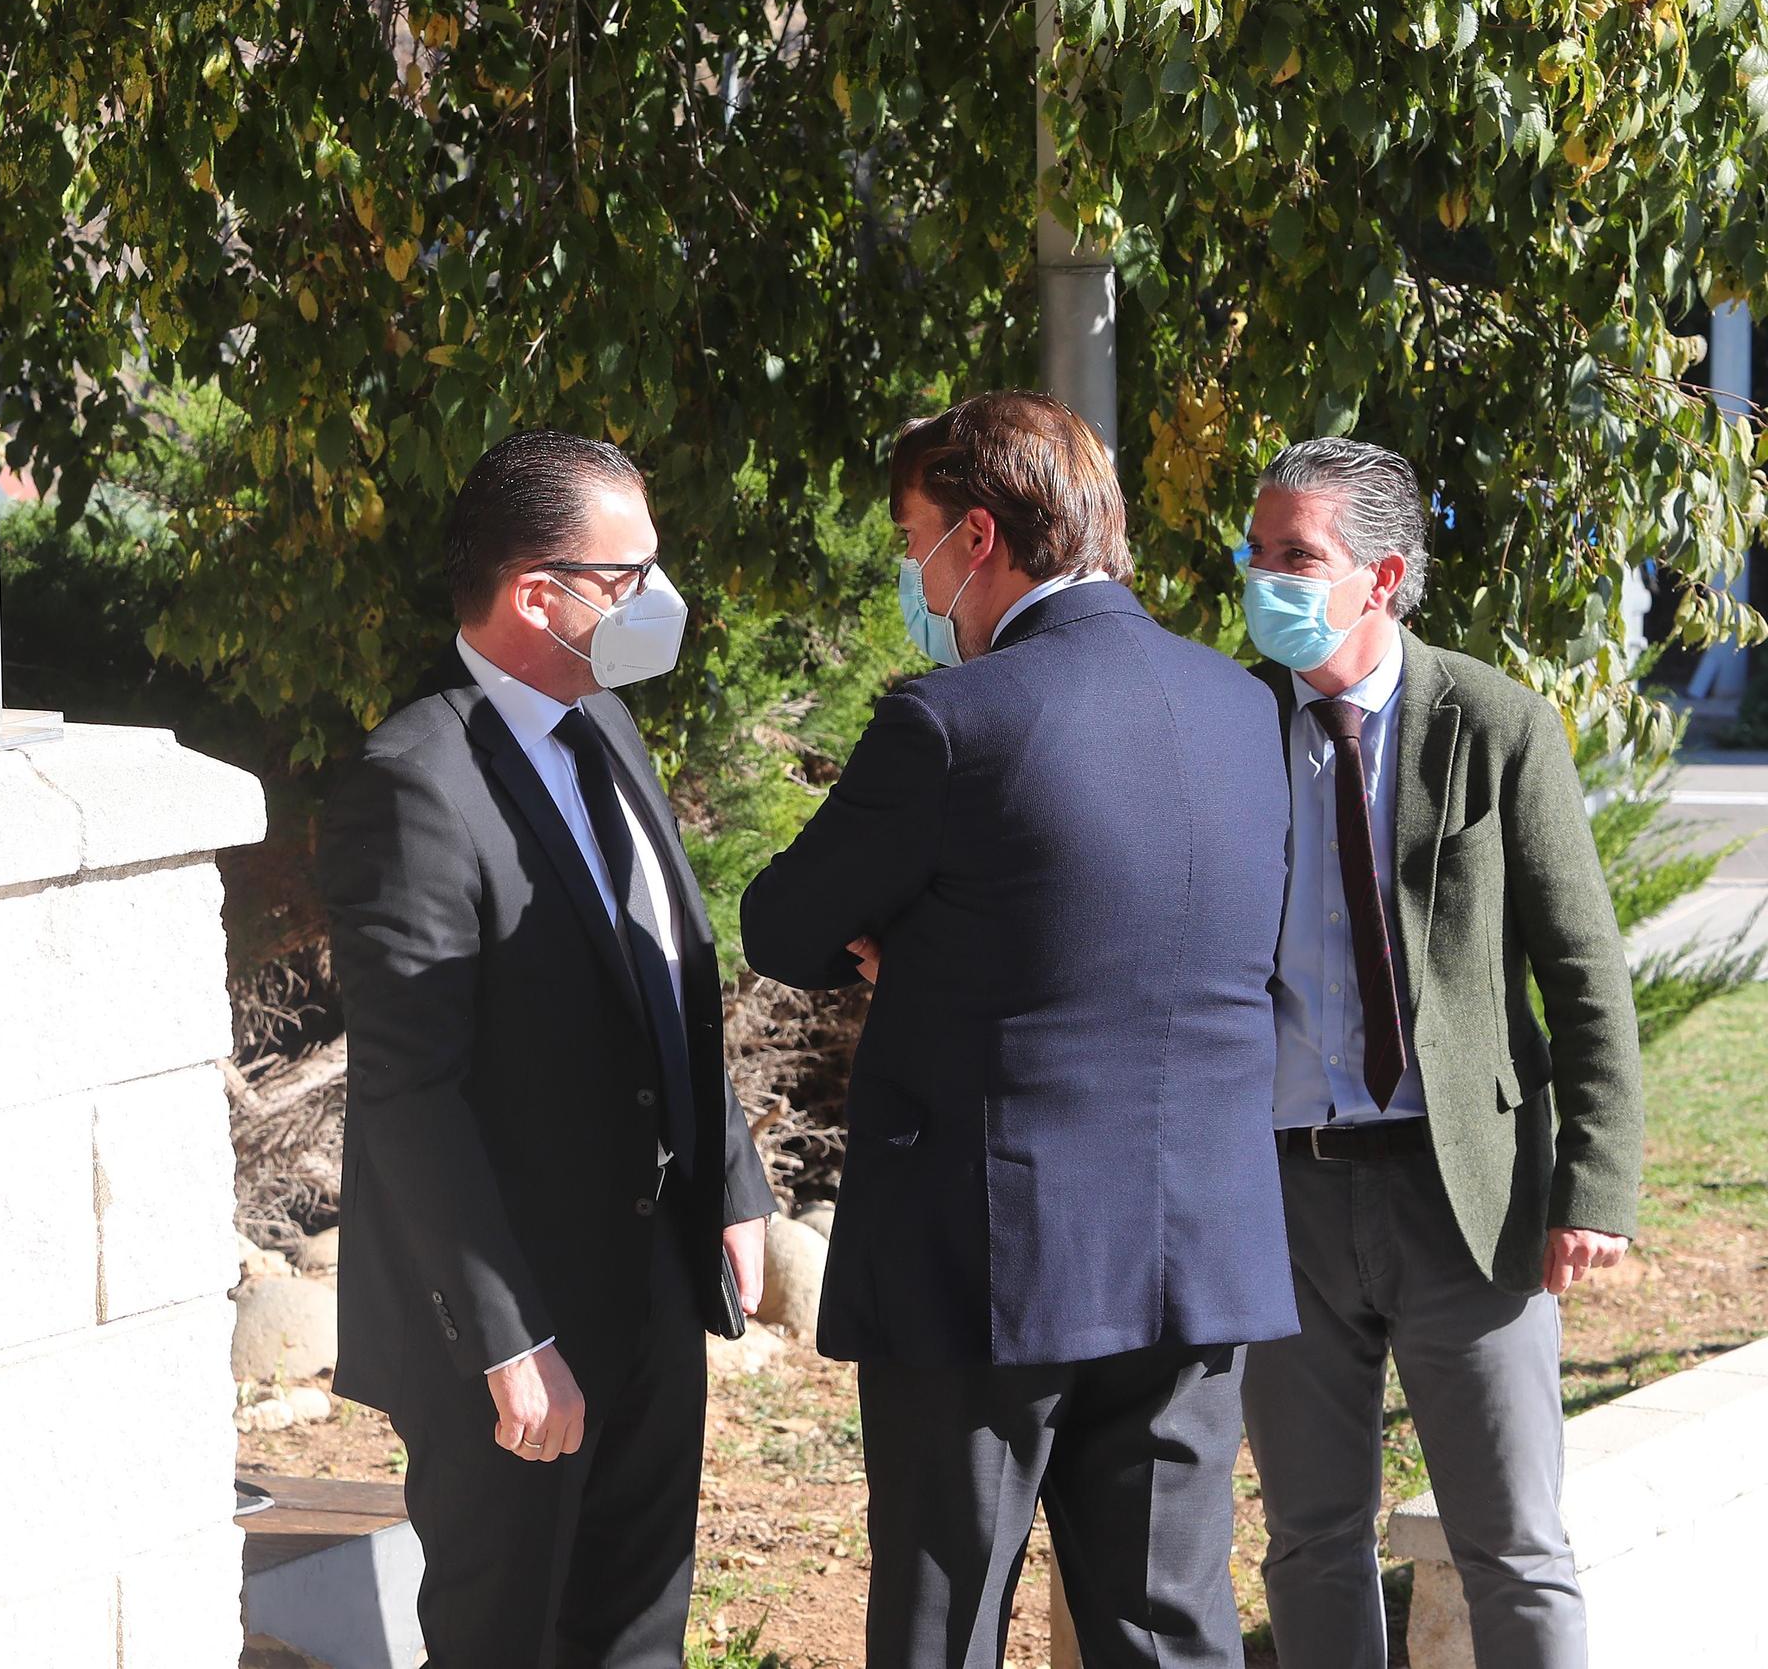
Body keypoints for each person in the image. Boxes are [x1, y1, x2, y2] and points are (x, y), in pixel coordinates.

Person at [739, 390, 1298, 1669]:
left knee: (947, 1620)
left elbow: (781, 925)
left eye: (911, 534)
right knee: (1165, 1630)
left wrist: (901, 934)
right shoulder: (1242, 710)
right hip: (1193, 1254)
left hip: (989, 1264)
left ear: (976, 536)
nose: (908, 570)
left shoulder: (951, 718)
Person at [317, 430, 778, 1668]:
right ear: (537, 594)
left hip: (650, 1287)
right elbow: (413, 1093)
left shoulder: (603, 727)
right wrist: (509, 1342)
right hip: (511, 1328)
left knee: (637, 1634)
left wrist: (729, 1177)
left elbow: (665, 968)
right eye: (630, 578)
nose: (658, 601)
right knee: (507, 1638)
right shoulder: (413, 782)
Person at [1237, 436, 1644, 1669]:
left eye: (1296, 556)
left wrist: (1594, 1185)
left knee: (1509, 1541)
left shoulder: (1491, 721)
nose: (1266, 581)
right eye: (1254, 554)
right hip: (1278, 1195)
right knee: (1307, 1539)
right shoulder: (1224, 725)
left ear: (1382, 573)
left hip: (1465, 1192)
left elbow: (1581, 971)